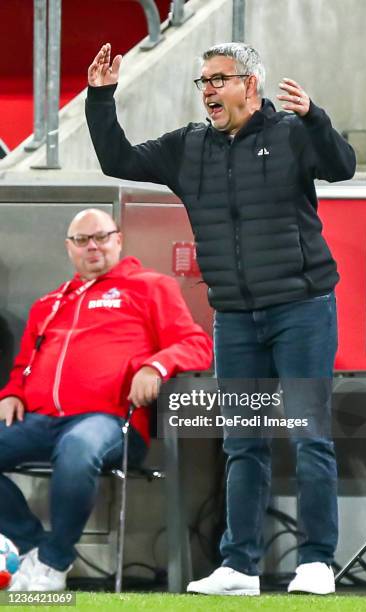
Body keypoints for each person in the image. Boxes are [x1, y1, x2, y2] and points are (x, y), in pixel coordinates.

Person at [85, 42, 356, 596]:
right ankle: (239, 565)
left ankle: (317, 562)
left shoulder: (291, 133)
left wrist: (315, 116)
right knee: (243, 440)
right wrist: (100, 96)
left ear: (249, 85)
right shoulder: (187, 147)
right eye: (202, 81)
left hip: (301, 308)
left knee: (310, 435)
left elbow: (342, 166)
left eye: (217, 79)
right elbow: (119, 160)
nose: (207, 90)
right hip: (234, 316)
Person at [0, 208, 213, 592]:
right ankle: (34, 549)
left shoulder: (150, 287)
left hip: (110, 422)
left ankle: (54, 561)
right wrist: (12, 392)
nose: (92, 246)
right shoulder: (48, 304)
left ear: (118, 239)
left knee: (79, 445)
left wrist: (157, 365)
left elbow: (196, 344)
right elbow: (24, 364)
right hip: (41, 420)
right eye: (82, 240)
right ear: (69, 248)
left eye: (101, 237)